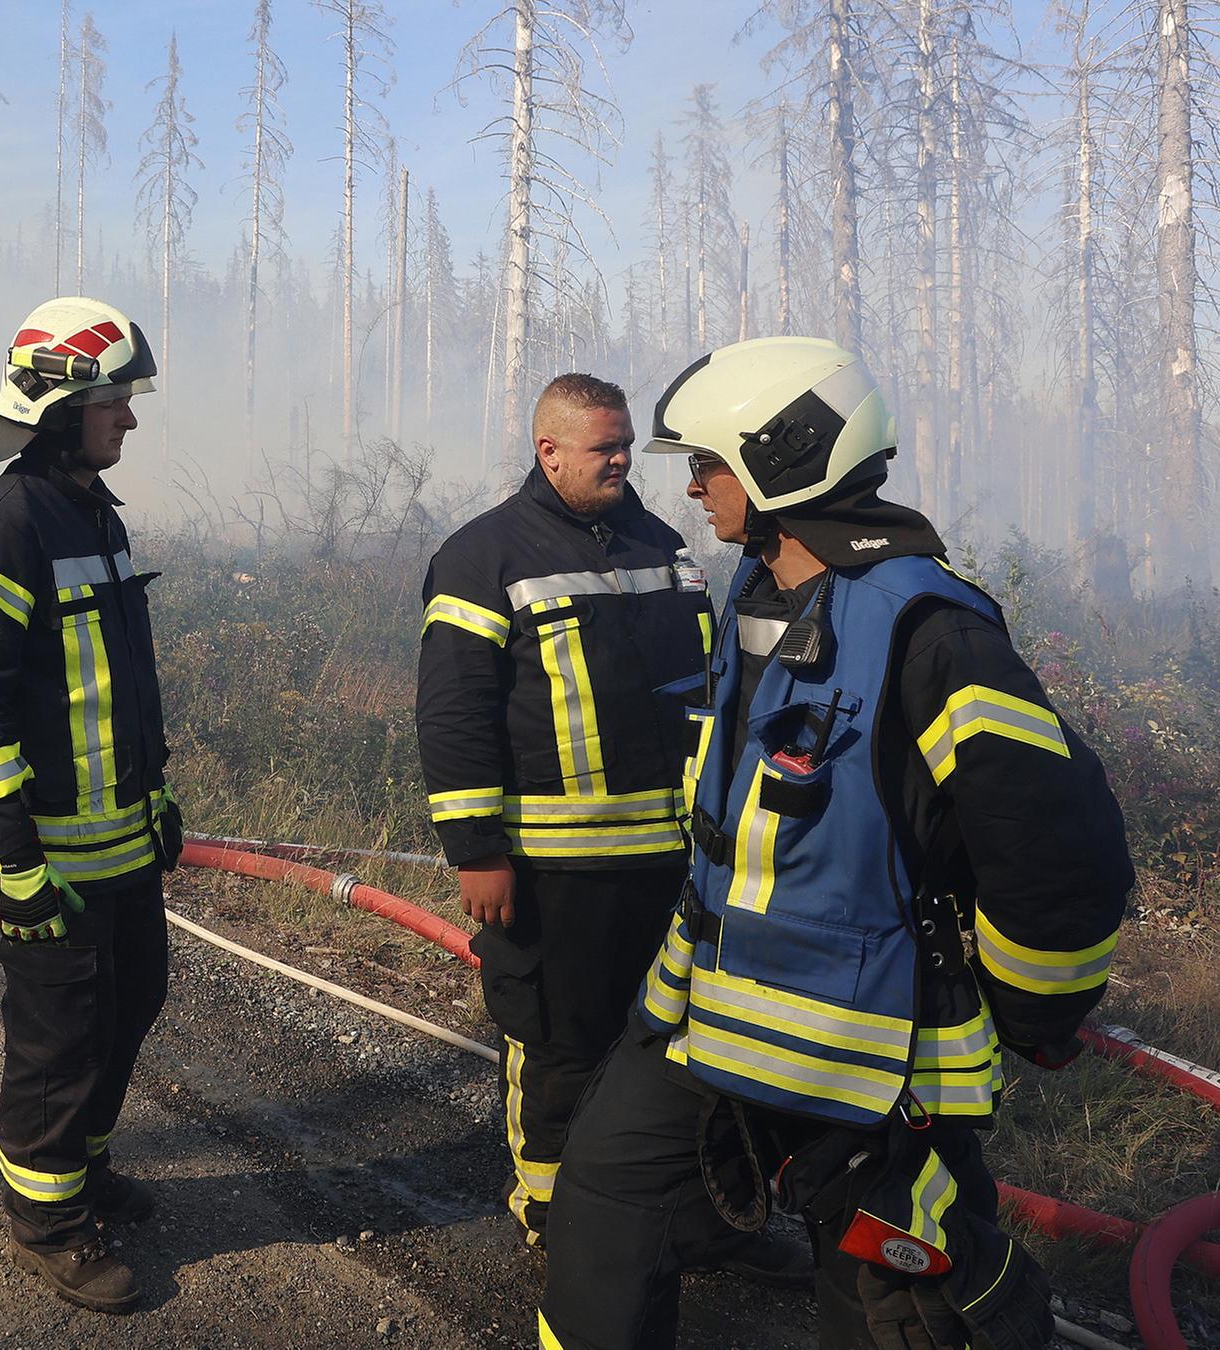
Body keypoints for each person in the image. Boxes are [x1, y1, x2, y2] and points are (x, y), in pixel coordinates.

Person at [537, 337, 1132, 1350]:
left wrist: (1038, 1011)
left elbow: (1059, 850)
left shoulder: (934, 634)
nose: (691, 487)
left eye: (709, 463)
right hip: (707, 1014)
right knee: (603, 1204)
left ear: (784, 462)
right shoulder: (760, 589)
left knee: (892, 1307)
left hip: (867, 1061)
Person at [416, 373, 762, 1258]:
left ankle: (690, 1214)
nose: (622, 461)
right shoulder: (483, 557)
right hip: (553, 872)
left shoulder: (660, 545)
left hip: (677, 863)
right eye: (604, 447)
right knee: (561, 1046)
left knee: (682, 1044)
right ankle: (556, 1216)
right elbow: (454, 714)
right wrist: (476, 851)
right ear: (550, 452)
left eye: (626, 446)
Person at [0, 296, 182, 1316]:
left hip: (120, 845)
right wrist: (15, 862)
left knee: (132, 1003)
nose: (129, 418)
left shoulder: (93, 514)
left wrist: (158, 794)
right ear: (63, 406)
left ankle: (84, 1169)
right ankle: (46, 1224)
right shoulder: (5, 528)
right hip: (50, 856)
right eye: (115, 402)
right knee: (58, 1044)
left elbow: (117, 687)